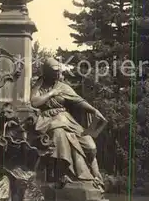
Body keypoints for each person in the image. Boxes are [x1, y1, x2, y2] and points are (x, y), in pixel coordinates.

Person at [30, 57, 107, 191]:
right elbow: (34, 102)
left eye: (59, 71)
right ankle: (63, 174)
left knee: (90, 145)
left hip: (66, 119)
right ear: (47, 72)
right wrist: (52, 93)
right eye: (54, 71)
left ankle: (96, 177)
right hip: (48, 119)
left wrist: (94, 110)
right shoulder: (38, 86)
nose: (58, 74)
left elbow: (78, 101)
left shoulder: (63, 87)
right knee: (60, 134)